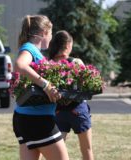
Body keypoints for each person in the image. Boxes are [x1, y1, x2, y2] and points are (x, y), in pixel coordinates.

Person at [12, 15, 69, 160]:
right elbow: (19, 65)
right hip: (37, 119)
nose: (51, 37)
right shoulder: (29, 48)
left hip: (24, 118)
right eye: (50, 33)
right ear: (43, 32)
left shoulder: (32, 50)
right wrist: (46, 85)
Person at [48, 30, 94, 160]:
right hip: (78, 110)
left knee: (57, 154)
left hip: (58, 111)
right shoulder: (76, 62)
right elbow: (86, 85)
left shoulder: (48, 64)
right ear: (68, 45)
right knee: (87, 150)